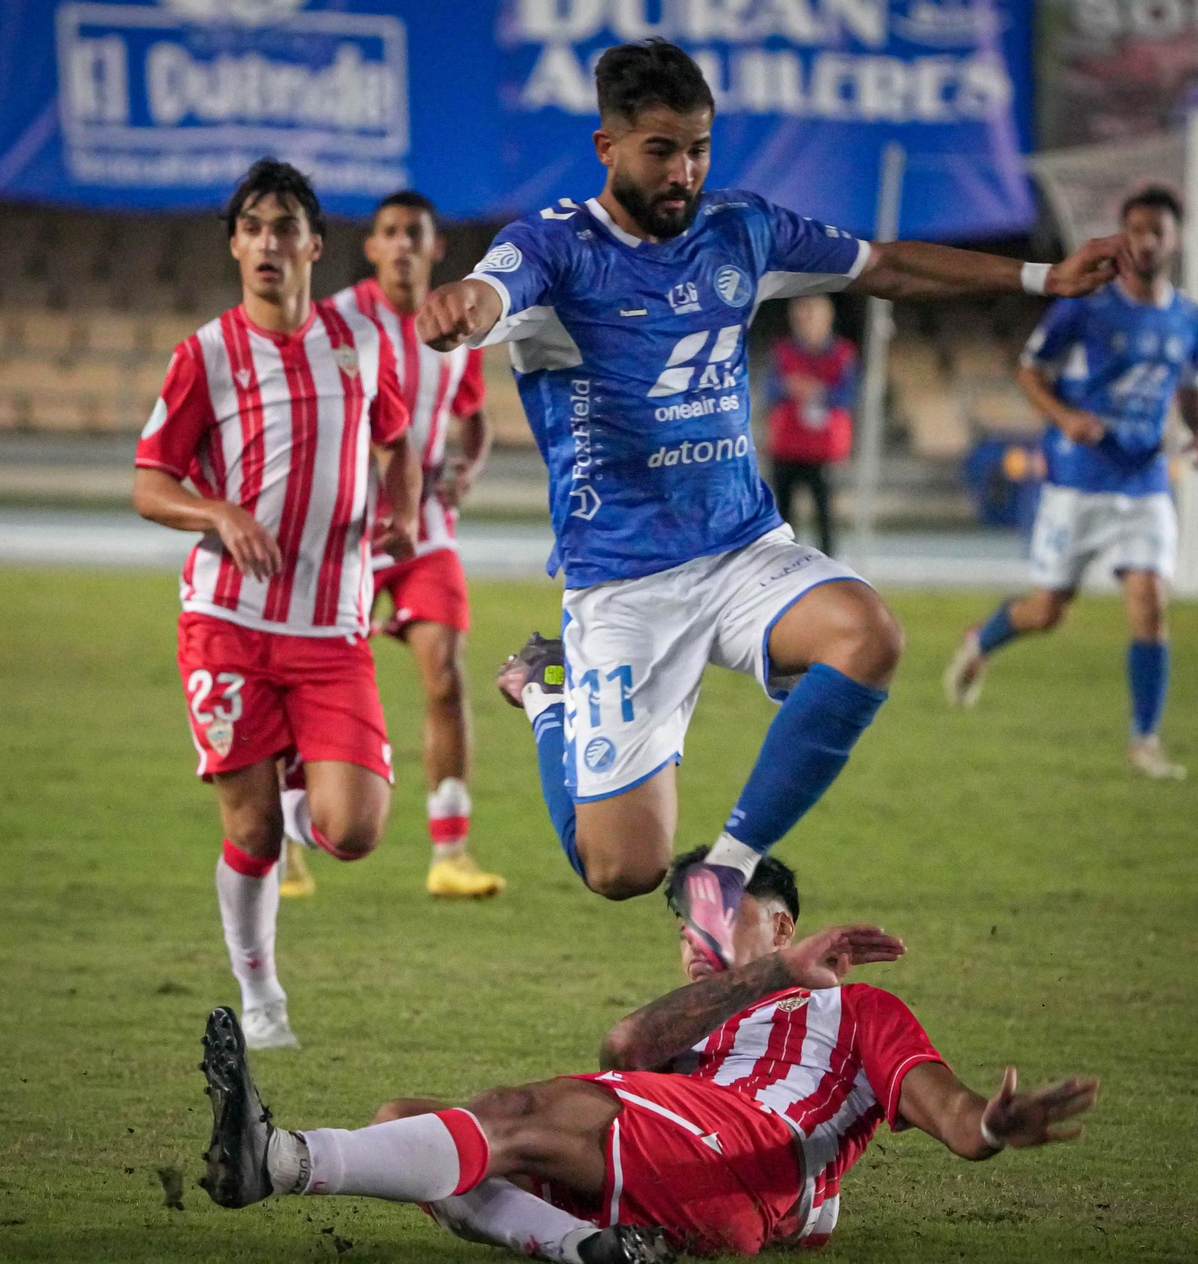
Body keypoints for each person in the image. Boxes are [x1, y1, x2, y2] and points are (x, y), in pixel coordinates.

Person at [414, 38, 1126, 968]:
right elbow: (491, 289)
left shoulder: (740, 230)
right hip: (625, 584)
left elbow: (884, 266)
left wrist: (1040, 278)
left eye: (700, 148)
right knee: (621, 868)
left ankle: (729, 870)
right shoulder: (555, 248)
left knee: (868, 633)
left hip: (743, 547)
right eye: (662, 150)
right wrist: (462, 305)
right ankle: (552, 695)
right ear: (608, 147)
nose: (686, 172)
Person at [196, 848, 1099, 1264]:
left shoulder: (856, 1010)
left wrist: (990, 1123)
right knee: (406, 1122)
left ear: (782, 928)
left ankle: (281, 1160)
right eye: (683, 922)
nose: (692, 937)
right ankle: (593, 1250)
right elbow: (628, 1048)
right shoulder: (698, 1026)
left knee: (509, 1113)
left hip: (744, 1154)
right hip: (671, 1174)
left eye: (717, 913)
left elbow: (948, 1111)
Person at [132, 159, 421, 1049]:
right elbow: (150, 482)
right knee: (251, 828)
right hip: (229, 623)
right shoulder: (206, 355)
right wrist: (215, 510)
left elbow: (398, 437)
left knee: (356, 828)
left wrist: (404, 512)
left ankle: (305, 784)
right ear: (234, 246)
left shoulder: (358, 346)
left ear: (314, 245)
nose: (268, 241)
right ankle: (260, 995)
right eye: (252, 226)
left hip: (334, 628)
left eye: (284, 225)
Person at [944, 186, 1198, 781]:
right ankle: (980, 641)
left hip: (1143, 480)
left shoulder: (1192, 320)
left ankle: (1144, 740)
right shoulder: (1085, 307)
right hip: (1076, 480)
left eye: (1158, 230)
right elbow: (1029, 370)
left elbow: (1192, 387)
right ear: (1122, 237)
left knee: (1149, 604)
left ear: (1175, 240)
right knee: (1047, 612)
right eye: (1136, 229)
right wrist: (1066, 418)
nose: (1146, 241)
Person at [280, 191, 505, 902]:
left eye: (415, 233)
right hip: (344, 528)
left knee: (446, 673)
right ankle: (286, 847)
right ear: (372, 247)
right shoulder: (337, 320)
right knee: (304, 680)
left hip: (427, 530)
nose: (403, 244)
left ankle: (451, 851)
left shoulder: (450, 329)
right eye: (389, 234)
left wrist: (469, 466)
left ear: (437, 248)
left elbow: (475, 416)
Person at [766, 293, 858, 556]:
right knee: (783, 516)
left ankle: (829, 568)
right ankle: (784, 566)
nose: (804, 323)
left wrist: (818, 392)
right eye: (799, 318)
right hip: (787, 446)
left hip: (823, 449)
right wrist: (789, 387)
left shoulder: (842, 354)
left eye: (810, 316)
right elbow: (771, 390)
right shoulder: (783, 351)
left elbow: (847, 395)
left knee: (825, 514)